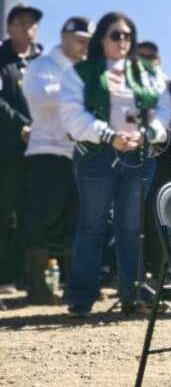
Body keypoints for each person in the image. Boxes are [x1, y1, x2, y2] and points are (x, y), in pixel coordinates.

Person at [60, 12, 171, 316]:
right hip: (96, 156)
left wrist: (145, 134)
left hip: (137, 156)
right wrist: (109, 136)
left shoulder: (148, 72)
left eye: (127, 35)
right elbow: (71, 115)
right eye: (115, 35)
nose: (122, 41)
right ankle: (81, 296)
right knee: (92, 224)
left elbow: (164, 110)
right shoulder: (80, 72)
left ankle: (132, 294)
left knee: (131, 226)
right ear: (102, 39)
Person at [20, 16, 92, 303]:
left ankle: (72, 286)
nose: (84, 45)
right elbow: (41, 95)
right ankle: (37, 287)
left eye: (88, 41)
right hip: (46, 152)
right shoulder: (43, 65)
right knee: (41, 219)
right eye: (80, 39)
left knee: (74, 220)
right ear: (63, 35)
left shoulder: (84, 68)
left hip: (79, 153)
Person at [137, 41, 171, 277]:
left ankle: (162, 278)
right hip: (133, 161)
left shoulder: (170, 85)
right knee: (136, 222)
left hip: (166, 161)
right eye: (140, 57)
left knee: (161, 222)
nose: (145, 61)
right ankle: (136, 278)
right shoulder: (125, 87)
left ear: (158, 60)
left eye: (150, 56)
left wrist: (160, 138)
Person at [0, 4, 43, 288]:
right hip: (8, 149)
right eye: (21, 22)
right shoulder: (2, 59)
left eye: (32, 22)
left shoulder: (45, 60)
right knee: (5, 211)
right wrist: (22, 126)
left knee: (36, 211)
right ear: (9, 28)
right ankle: (5, 277)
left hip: (43, 149)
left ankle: (34, 279)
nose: (27, 27)